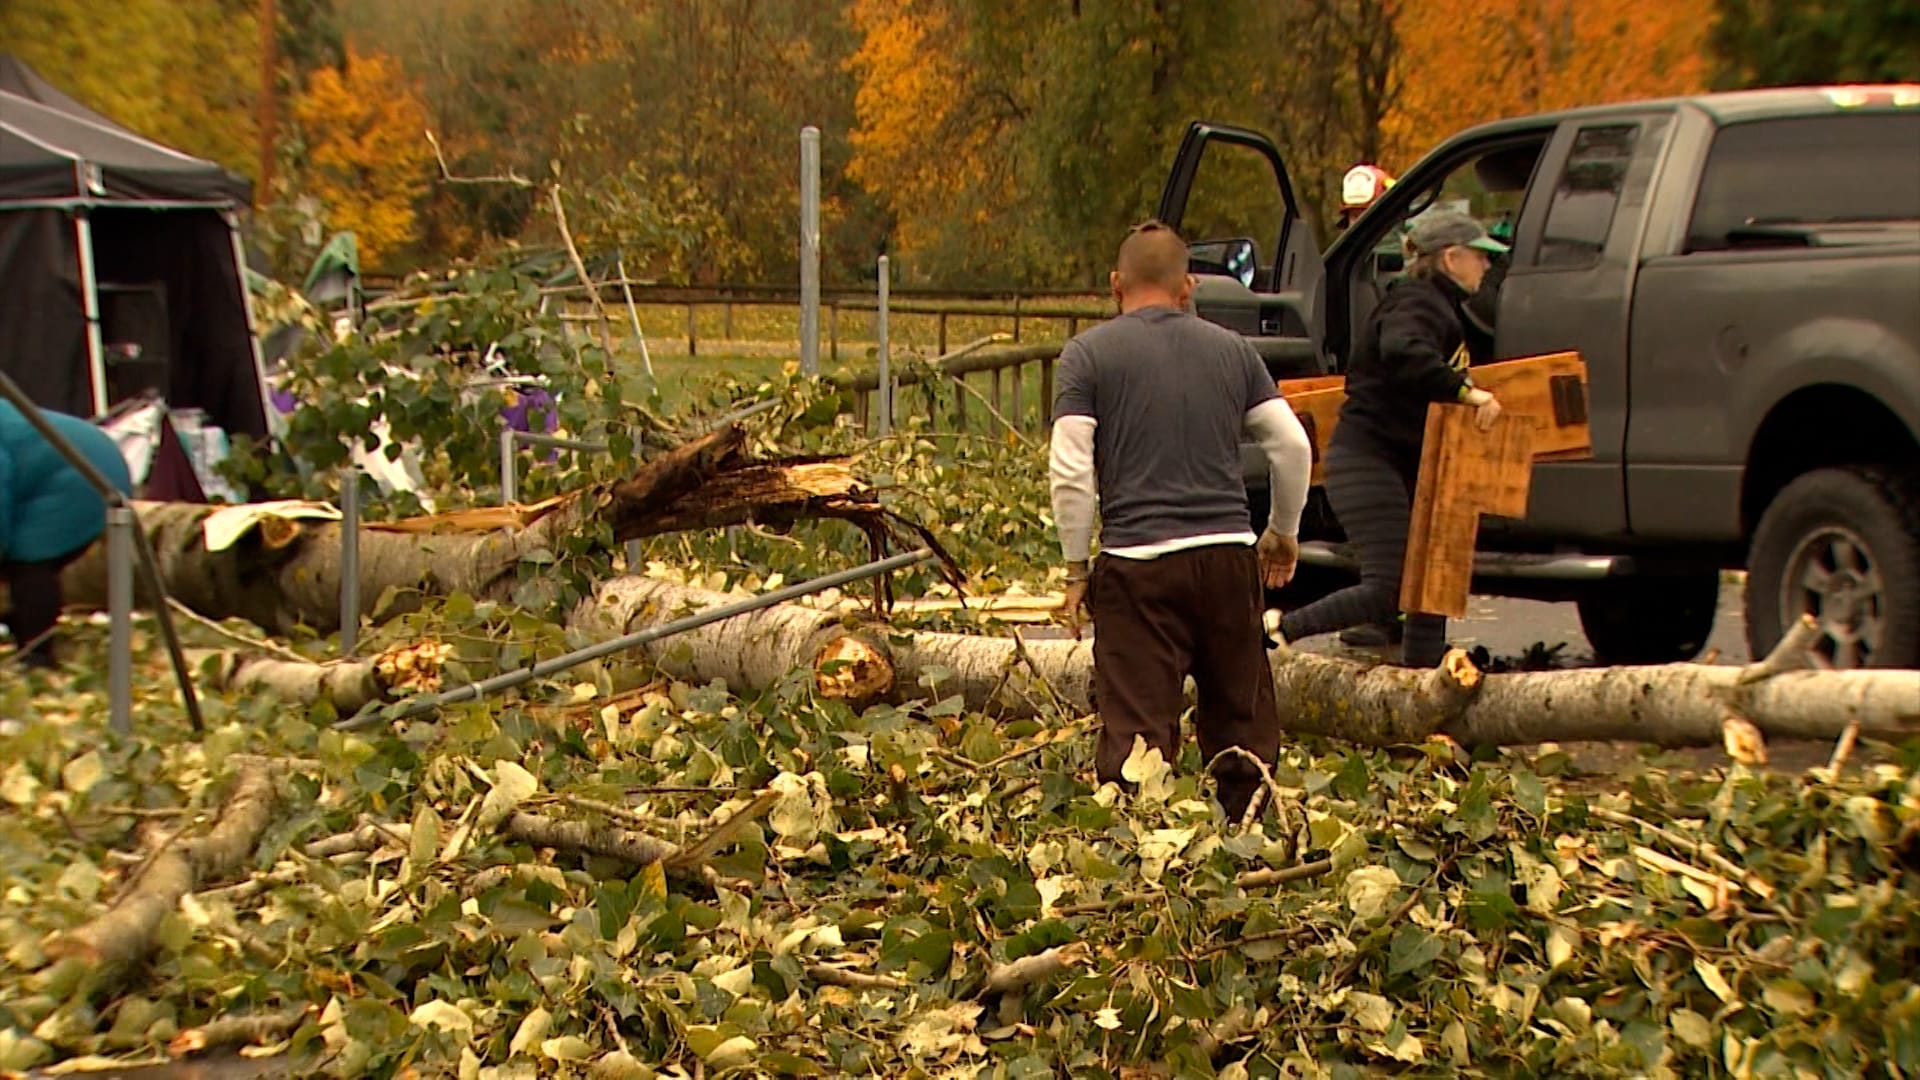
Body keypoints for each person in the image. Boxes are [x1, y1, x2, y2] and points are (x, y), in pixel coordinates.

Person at [1050, 220, 1315, 820]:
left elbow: (1070, 471)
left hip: (1138, 566)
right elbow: (1292, 447)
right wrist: (1282, 530)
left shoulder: (1088, 355)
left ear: (1116, 285)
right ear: (1188, 286)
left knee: (1138, 735)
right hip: (1226, 557)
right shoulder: (1233, 351)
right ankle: (1249, 836)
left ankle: (1145, 848)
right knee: (1241, 718)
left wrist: (1074, 568)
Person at [1276, 210, 1507, 668]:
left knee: (1428, 581)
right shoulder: (1418, 303)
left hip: (1397, 462)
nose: (1487, 265)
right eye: (1480, 256)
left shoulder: (1436, 305)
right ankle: (1278, 631)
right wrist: (1467, 393)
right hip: (1367, 459)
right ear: (1451, 257)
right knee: (1391, 587)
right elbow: (1403, 351)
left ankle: (1424, 682)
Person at [1, 400, 133, 670]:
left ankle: (38, 656)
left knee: (30, 563)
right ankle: (23, 630)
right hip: (61, 469)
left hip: (84, 473)